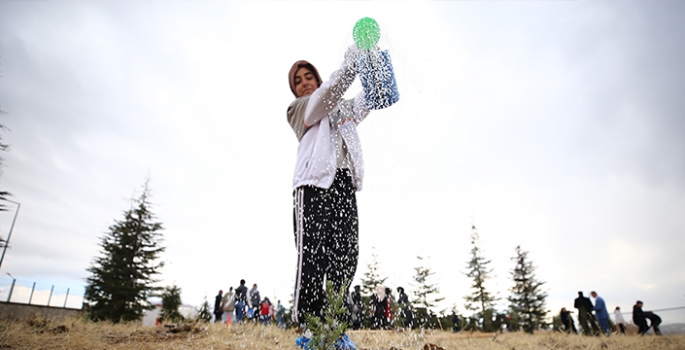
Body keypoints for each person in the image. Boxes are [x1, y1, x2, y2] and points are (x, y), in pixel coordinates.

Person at [288, 46, 372, 350]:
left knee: (345, 255)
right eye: (299, 80)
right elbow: (324, 98)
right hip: (312, 185)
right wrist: (350, 66)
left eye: (310, 77)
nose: (305, 82)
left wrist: (373, 64)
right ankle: (312, 329)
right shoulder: (300, 109)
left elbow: (372, 99)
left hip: (342, 184)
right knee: (313, 255)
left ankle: (335, 329)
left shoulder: (340, 110)